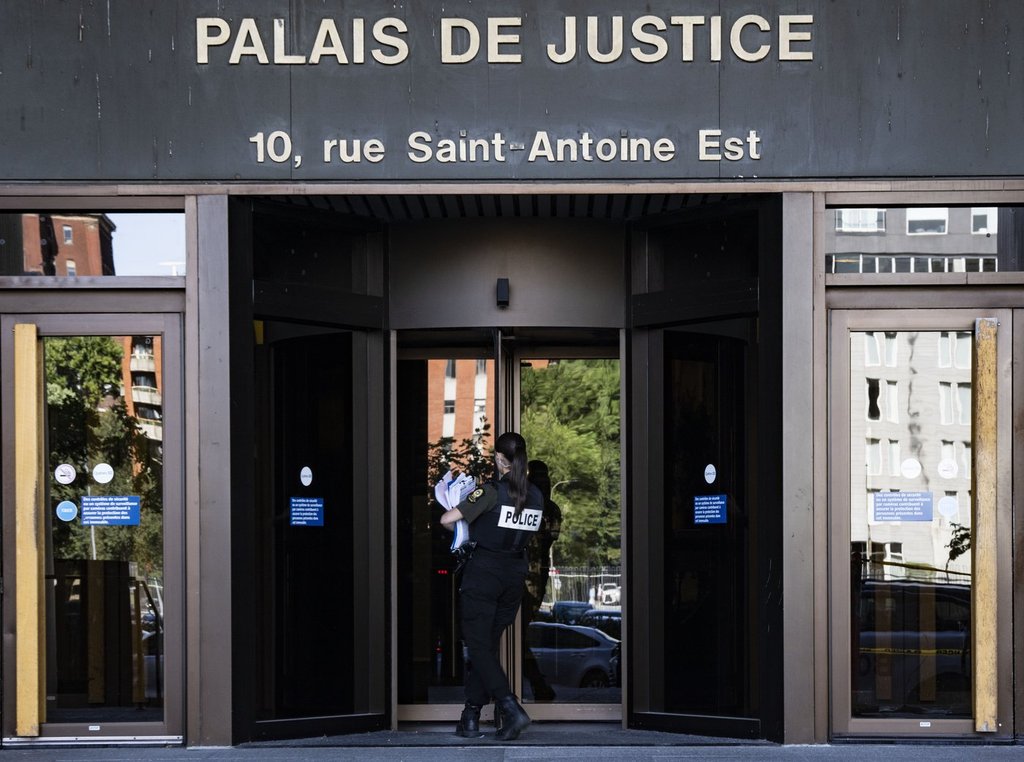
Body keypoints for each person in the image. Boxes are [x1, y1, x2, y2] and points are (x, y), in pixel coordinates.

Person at [440, 431, 543, 741]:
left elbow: (448, 519)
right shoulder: (537, 496)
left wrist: (458, 502)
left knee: (479, 646)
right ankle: (470, 716)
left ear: (500, 459)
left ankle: (510, 708)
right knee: (485, 647)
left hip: (484, 574)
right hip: (514, 576)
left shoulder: (489, 492)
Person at [520, 459, 562, 701]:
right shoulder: (550, 508)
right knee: (517, 634)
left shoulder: (531, 504)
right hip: (532, 573)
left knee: (517, 635)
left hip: (527, 574)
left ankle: (537, 684)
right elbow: (552, 536)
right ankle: (538, 685)